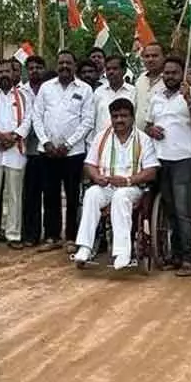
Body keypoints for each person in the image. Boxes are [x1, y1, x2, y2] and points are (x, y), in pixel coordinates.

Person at [73, 98, 160, 269]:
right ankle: (85, 246)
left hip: (132, 187)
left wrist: (128, 180)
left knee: (120, 197)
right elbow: (89, 164)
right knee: (91, 194)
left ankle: (122, 252)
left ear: (132, 118)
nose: (119, 120)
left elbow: (151, 171)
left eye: (124, 116)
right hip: (106, 185)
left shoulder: (143, 139)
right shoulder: (102, 137)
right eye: (115, 116)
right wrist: (97, 177)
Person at [145, 57, 191, 274]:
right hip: (160, 158)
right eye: (167, 72)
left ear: (182, 74)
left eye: (174, 72)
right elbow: (148, 124)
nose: (169, 76)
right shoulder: (156, 96)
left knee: (183, 211)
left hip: (184, 158)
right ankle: (175, 254)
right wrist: (151, 130)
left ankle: (189, 258)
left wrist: (189, 99)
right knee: (170, 210)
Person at [33, 50, 95, 251]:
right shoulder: (45, 88)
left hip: (73, 153)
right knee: (50, 195)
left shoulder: (85, 89)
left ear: (75, 66)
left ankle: (71, 237)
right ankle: (52, 236)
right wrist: (46, 142)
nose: (65, 66)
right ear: (57, 65)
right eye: (61, 63)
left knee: (72, 195)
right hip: (48, 151)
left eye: (69, 63)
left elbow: (87, 121)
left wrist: (68, 144)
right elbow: (37, 117)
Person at [0, 60, 32, 250]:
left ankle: (13, 234)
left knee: (15, 195)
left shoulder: (24, 97)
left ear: (13, 73)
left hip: (15, 152)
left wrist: (13, 138)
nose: (3, 74)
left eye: (7, 71)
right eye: (0, 71)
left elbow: (27, 121)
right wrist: (1, 136)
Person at [21, 55, 48, 247]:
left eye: (39, 67)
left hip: (47, 149)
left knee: (49, 194)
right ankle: (30, 233)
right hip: (28, 150)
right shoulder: (21, 92)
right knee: (30, 195)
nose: (35, 71)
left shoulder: (50, 90)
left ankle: (50, 233)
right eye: (31, 68)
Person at [91, 54, 135, 136]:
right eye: (108, 69)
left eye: (115, 69)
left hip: (127, 142)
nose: (111, 72)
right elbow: (92, 120)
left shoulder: (133, 92)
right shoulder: (98, 92)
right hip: (102, 142)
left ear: (124, 71)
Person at [134, 42, 166, 129]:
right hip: (140, 137)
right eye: (147, 56)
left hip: (162, 135)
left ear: (164, 58)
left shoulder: (171, 80)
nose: (150, 59)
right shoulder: (140, 79)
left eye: (155, 56)